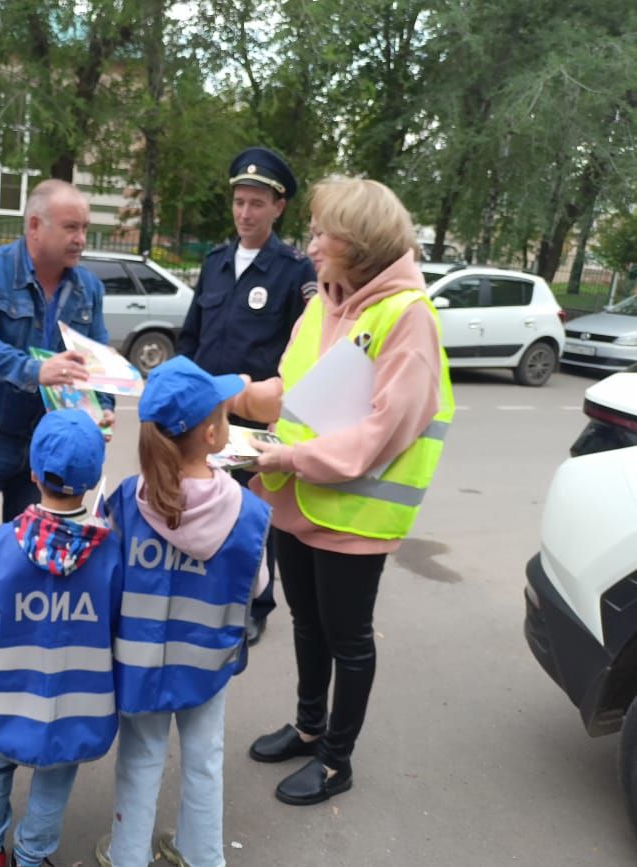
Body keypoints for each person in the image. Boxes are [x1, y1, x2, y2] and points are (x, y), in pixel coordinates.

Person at [247, 176, 454, 806]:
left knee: (348, 638)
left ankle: (337, 761)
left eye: (319, 232)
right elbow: (287, 389)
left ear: (359, 243)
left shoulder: (407, 317)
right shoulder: (323, 303)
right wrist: (228, 395)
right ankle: (311, 727)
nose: (308, 245)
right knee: (307, 624)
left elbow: (385, 431)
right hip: (296, 499)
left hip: (354, 514)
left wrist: (287, 454)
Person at [96, 355, 271, 867]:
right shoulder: (246, 512)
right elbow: (254, 584)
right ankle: (202, 856)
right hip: (209, 661)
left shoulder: (128, 501)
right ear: (215, 436)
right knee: (205, 760)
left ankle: (128, 854)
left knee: (140, 759)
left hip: (140, 661)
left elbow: (108, 575)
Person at [0, 180, 116, 681]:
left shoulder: (88, 288)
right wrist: (32, 370)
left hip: (44, 445)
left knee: (31, 544)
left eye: (85, 227)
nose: (81, 238)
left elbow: (95, 359)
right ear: (34, 226)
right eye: (71, 227)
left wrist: (100, 407)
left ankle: (13, 637)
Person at [0, 409, 123, 867]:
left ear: (31, 472)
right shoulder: (110, 553)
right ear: (93, 478)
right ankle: (33, 856)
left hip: (3, 695)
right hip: (74, 702)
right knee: (56, 775)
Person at [177, 146, 317, 646]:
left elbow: (302, 354)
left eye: (256, 202)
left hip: (257, 423)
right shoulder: (216, 263)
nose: (244, 212)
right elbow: (191, 337)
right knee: (199, 504)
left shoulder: (295, 271)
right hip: (204, 417)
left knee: (253, 516)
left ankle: (257, 603)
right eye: (239, 201)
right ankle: (209, 593)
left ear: (278, 207)